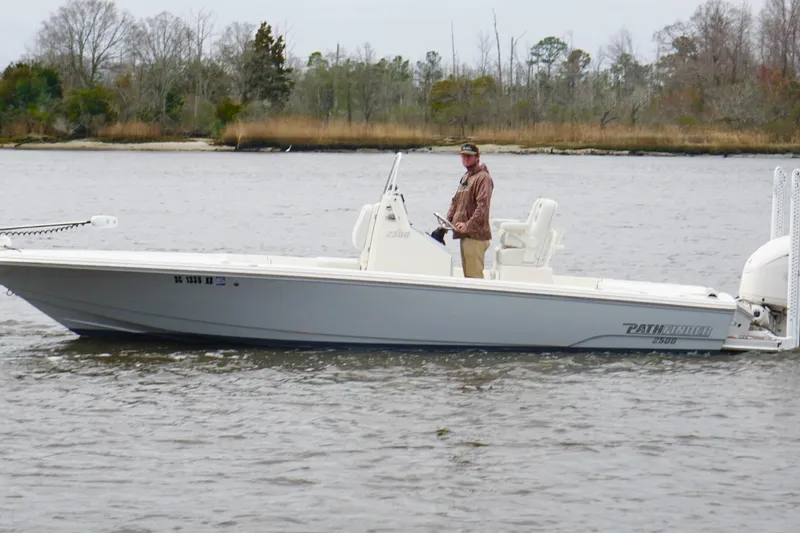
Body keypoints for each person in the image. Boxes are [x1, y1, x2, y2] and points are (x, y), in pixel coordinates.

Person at [446, 142, 494, 278]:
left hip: (476, 237)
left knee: (474, 278)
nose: (465, 159)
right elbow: (455, 202)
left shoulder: (483, 178)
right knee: (468, 277)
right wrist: (446, 222)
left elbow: (483, 207)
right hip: (465, 236)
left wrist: (468, 225)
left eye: (469, 156)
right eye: (463, 156)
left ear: (477, 157)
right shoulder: (466, 177)